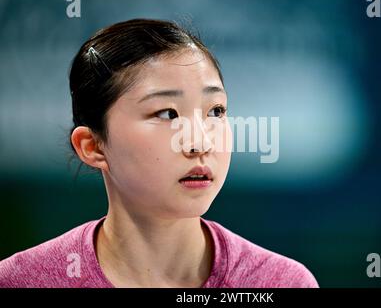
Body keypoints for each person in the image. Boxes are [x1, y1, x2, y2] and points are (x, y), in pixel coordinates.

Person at [0, 19, 318, 288]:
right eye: (167, 114)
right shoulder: (22, 280)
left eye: (216, 110)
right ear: (93, 146)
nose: (200, 142)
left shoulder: (280, 282)